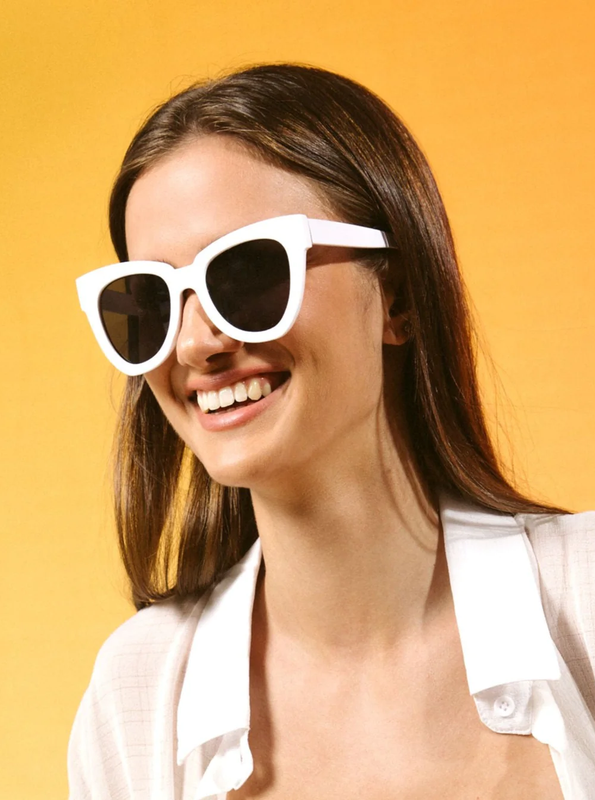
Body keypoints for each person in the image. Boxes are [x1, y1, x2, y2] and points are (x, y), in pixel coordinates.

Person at [68, 63, 595, 799]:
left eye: (248, 273)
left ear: (398, 297)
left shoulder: (585, 596)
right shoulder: (139, 694)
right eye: (150, 301)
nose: (193, 344)